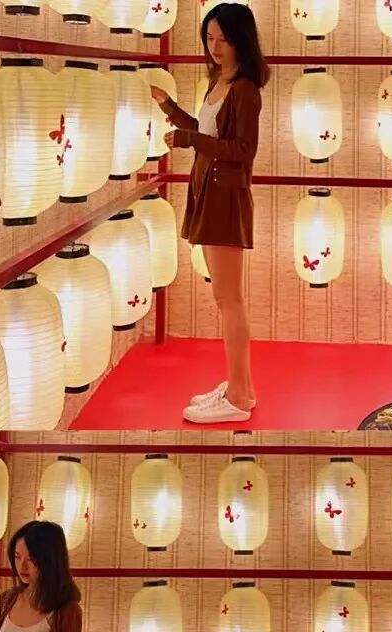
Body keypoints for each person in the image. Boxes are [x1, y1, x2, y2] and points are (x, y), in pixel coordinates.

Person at [150, 2, 270, 424]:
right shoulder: (219, 81)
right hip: (208, 192)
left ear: (242, 40)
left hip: (225, 197)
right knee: (226, 298)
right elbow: (205, 133)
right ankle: (243, 390)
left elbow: (243, 150)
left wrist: (189, 140)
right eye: (210, 38)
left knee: (229, 300)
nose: (215, 47)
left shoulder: (245, 89)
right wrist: (169, 106)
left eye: (224, 39)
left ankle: (236, 397)